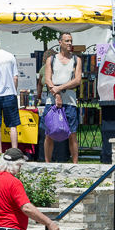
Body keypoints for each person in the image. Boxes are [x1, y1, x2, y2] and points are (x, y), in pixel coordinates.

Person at [43, 32, 82, 163]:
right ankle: (47, 163)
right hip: (52, 100)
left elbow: (77, 80)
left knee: (72, 133)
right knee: (49, 133)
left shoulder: (76, 60)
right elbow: (47, 80)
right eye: (67, 41)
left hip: (70, 101)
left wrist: (59, 88)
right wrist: (57, 94)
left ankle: (75, 164)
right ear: (60, 42)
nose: (70, 43)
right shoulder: (51, 59)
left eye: (71, 41)